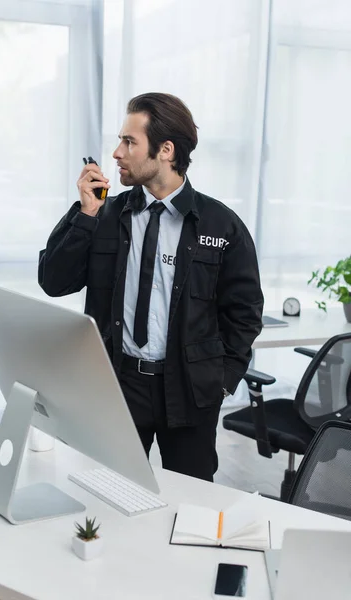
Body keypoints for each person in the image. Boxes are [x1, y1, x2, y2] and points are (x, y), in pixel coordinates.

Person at [38, 92, 263, 482]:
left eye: (129, 142)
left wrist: (222, 382)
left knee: (191, 503)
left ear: (166, 149)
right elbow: (54, 281)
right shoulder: (103, 213)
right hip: (118, 386)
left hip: (190, 393)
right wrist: (86, 213)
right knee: (105, 494)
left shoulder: (221, 226)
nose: (116, 153)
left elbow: (244, 314)